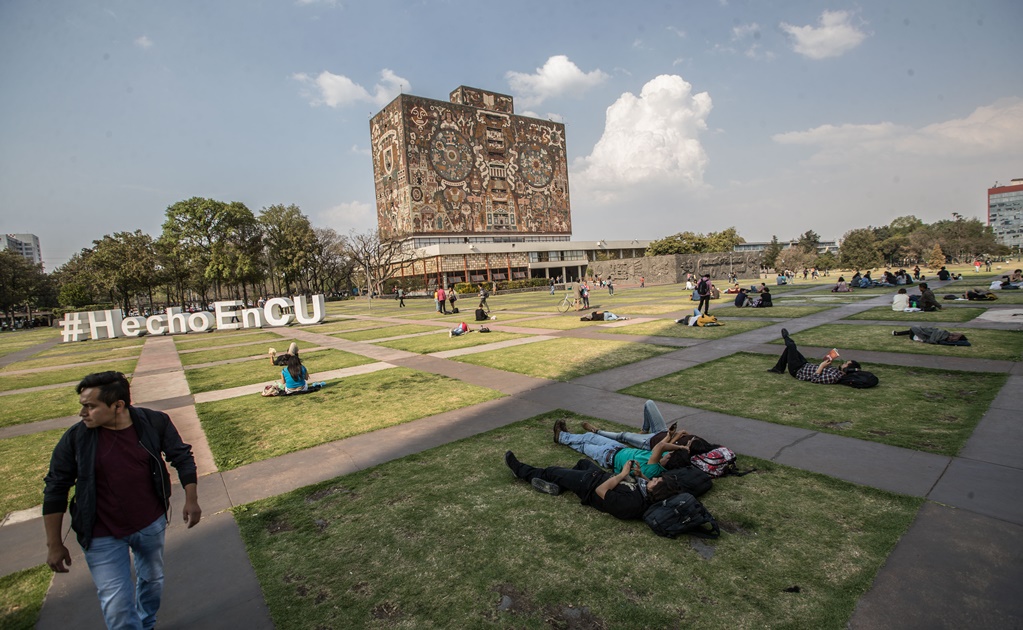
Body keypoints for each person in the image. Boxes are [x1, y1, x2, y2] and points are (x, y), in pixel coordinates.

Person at [43, 371, 202, 630]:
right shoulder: (76, 438)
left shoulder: (154, 422)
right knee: (116, 603)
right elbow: (56, 488)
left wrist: (191, 499)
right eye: (83, 406)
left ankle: (146, 623)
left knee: (152, 581)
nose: (83, 413)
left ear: (118, 406)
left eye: (90, 406)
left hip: (150, 523)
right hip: (100, 534)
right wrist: (54, 543)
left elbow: (181, 456)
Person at [503, 451, 675, 520]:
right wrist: (638, 475)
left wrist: (623, 474)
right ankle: (560, 486)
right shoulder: (647, 494)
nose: (653, 479)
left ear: (658, 491)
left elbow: (601, 491)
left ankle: (519, 470)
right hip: (598, 475)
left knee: (551, 471)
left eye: (656, 481)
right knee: (583, 462)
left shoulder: (632, 503)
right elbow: (640, 484)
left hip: (589, 485)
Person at [553, 419, 691, 479]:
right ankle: (564, 436)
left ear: (670, 462)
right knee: (589, 436)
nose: (667, 454)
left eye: (669, 456)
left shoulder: (654, 469)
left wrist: (680, 446)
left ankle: (562, 437)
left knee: (584, 446)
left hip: (607, 457)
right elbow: (664, 447)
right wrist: (674, 436)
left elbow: (660, 446)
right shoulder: (662, 459)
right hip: (619, 448)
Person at [767, 329, 861, 384]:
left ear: (848, 369)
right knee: (790, 350)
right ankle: (778, 368)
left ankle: (786, 338)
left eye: (846, 364)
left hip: (797, 370)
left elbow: (814, 379)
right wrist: (826, 362)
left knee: (791, 346)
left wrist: (822, 366)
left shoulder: (835, 377)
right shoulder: (836, 371)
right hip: (805, 364)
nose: (843, 364)